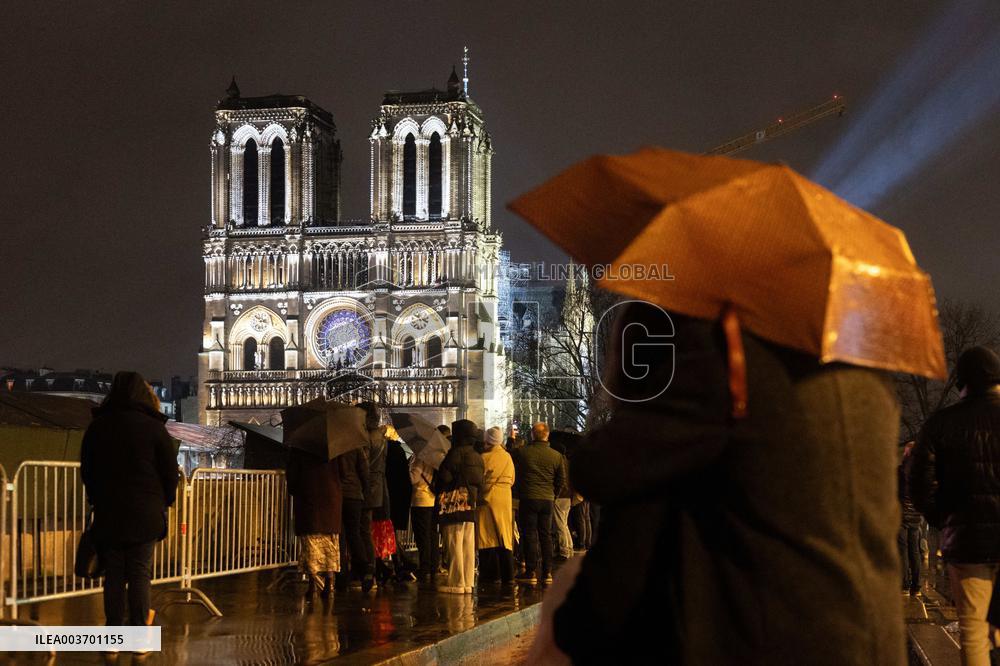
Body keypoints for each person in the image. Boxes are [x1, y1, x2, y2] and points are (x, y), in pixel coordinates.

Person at [540, 302, 906, 664]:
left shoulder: (733, 359)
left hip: (779, 643)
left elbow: (601, 470)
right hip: (873, 639)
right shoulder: (863, 367)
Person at [909, 346, 1000, 666]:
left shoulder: (941, 424)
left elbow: (919, 484)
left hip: (966, 541)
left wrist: (944, 519)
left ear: (962, 381)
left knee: (973, 630)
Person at [80, 371, 179, 626]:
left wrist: (96, 499)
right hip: (145, 513)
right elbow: (170, 472)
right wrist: (164, 502)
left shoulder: (97, 426)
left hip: (108, 510)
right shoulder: (154, 427)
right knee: (139, 573)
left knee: (113, 573)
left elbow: (87, 470)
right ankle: (138, 636)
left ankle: (112, 636)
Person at [434, 419, 484, 594]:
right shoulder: (477, 456)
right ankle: (468, 581)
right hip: (470, 503)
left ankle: (457, 581)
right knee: (468, 544)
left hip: (454, 504)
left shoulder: (454, 454)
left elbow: (445, 478)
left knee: (454, 542)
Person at [513, 422, 565, 585]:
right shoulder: (556, 456)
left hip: (528, 497)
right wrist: (553, 494)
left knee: (529, 534)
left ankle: (530, 571)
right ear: (547, 435)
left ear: (532, 435)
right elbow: (561, 480)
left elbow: (517, 475)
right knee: (546, 535)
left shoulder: (523, 453)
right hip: (547, 499)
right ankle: (547, 572)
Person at [286, 447, 342, 599]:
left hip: (309, 503)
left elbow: (292, 479)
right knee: (330, 545)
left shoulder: (300, 449)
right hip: (331, 502)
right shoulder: (334, 448)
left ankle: (313, 585)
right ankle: (329, 582)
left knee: (311, 546)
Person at [477, 426, 516, 586]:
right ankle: (508, 574)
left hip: (488, 499)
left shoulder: (484, 457)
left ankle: (490, 574)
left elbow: (480, 479)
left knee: (486, 536)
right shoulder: (507, 457)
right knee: (504, 536)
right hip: (505, 498)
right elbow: (512, 479)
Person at [360, 403, 389, 588]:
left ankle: (368, 570)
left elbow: (363, 466)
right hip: (377, 487)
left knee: (362, 530)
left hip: (367, 488)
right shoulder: (382, 438)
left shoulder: (367, 438)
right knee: (366, 529)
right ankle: (374, 568)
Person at [336, 446, 370, 592]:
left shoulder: (333, 448)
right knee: (354, 535)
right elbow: (365, 473)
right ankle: (365, 572)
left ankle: (341, 577)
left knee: (340, 538)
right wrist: (363, 490)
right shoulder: (356, 447)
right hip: (355, 497)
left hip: (337, 497)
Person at [385, 434, 415, 582]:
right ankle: (401, 563)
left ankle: (400, 563)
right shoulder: (399, 453)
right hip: (400, 498)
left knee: (388, 532)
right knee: (394, 532)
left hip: (388, 498)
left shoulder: (386, 454)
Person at [898, 441, 922, 596]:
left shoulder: (900, 471)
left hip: (901, 515)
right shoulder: (921, 472)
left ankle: (904, 585)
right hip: (916, 516)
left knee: (902, 551)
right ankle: (916, 586)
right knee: (915, 551)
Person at [409, 457, 439, 584]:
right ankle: (433, 564)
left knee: (423, 535)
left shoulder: (419, 458)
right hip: (432, 499)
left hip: (421, 499)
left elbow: (413, 478)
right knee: (431, 534)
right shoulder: (433, 459)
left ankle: (424, 566)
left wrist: (409, 468)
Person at [548, 436, 574, 562]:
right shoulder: (567, 462)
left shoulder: (558, 462)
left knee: (560, 524)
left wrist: (556, 493)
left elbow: (560, 480)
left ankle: (564, 551)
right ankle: (569, 548)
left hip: (560, 496)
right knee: (564, 523)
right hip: (568, 496)